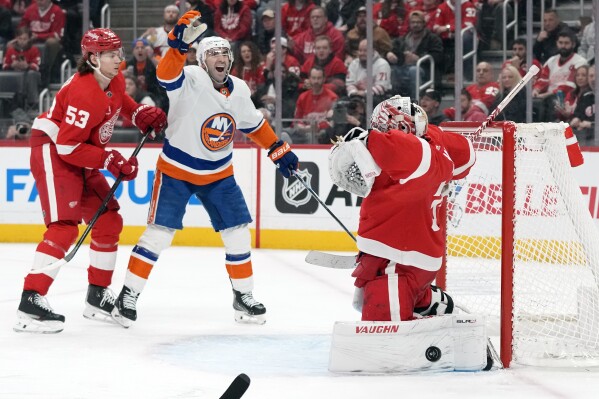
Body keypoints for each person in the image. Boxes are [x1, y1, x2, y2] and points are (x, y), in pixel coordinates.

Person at [113, 11, 299, 327]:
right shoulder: (190, 78)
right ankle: (127, 295)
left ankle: (243, 296)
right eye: (213, 52)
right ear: (202, 60)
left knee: (238, 233)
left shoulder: (240, 88)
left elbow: (253, 124)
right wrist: (177, 46)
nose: (222, 57)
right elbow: (166, 75)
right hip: (177, 170)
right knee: (159, 234)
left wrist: (277, 149)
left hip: (219, 173)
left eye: (225, 52)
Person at [13, 28, 167, 334]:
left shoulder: (114, 79)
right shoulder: (84, 93)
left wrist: (140, 115)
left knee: (109, 219)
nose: (118, 59)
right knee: (64, 227)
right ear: (93, 58)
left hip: (82, 151)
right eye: (111, 54)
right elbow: (68, 147)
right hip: (54, 150)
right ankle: (30, 301)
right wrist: (109, 160)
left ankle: (97, 297)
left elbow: (121, 103)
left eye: (118, 53)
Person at [337, 95, 475, 322]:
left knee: (382, 331)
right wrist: (436, 136)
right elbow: (467, 155)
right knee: (388, 297)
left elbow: (381, 144)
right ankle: (431, 304)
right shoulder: (434, 142)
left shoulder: (411, 152)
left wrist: (362, 139)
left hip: (396, 257)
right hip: (424, 256)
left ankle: (432, 322)